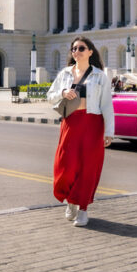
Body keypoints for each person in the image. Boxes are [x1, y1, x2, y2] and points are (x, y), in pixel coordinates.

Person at [46, 36, 113, 227]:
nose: (76, 52)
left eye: (81, 48)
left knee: (88, 168)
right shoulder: (65, 74)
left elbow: (107, 105)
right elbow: (50, 95)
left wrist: (109, 131)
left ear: (90, 52)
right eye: (73, 49)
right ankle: (71, 200)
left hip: (93, 123)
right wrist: (62, 93)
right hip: (71, 123)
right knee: (66, 167)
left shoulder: (100, 76)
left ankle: (83, 209)